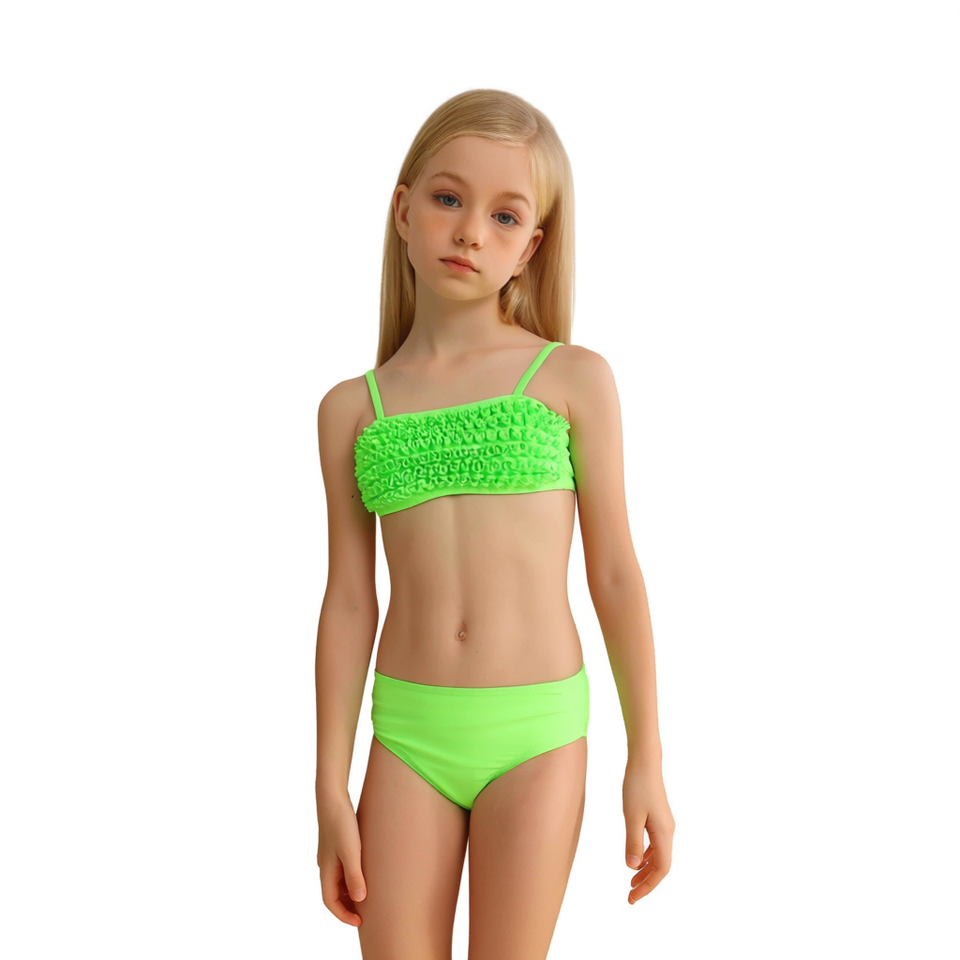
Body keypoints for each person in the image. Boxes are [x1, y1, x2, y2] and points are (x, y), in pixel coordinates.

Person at [315, 88, 674, 959]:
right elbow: (350, 600)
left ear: (531, 247)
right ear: (404, 210)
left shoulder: (572, 380)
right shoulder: (351, 410)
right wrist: (329, 782)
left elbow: (615, 574)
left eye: (504, 215)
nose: (470, 231)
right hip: (408, 734)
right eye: (449, 199)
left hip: (536, 732)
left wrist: (647, 760)